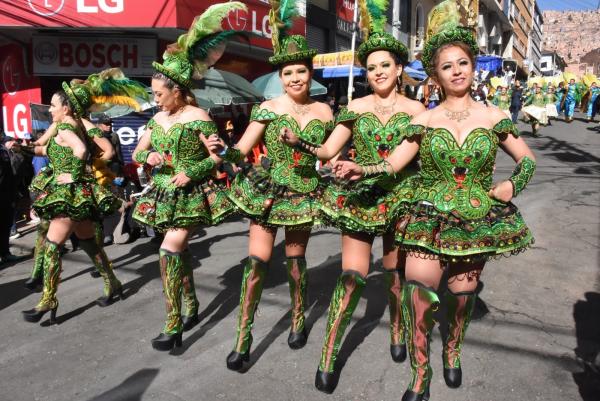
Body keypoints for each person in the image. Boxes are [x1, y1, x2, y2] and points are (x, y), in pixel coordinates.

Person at [335, 1, 536, 399]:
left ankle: (453, 350)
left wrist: (512, 186)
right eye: (447, 66)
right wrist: (364, 169)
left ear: (472, 66)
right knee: (417, 290)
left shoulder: (495, 117)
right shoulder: (423, 120)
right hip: (428, 216)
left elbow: (527, 159)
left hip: (476, 219)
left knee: (462, 296)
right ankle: (420, 372)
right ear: (436, 75)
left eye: (462, 63)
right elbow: (394, 162)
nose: (457, 71)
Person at [279, 0, 425, 392]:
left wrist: (365, 167)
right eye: (371, 67)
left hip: (400, 197)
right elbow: (329, 151)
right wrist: (301, 143)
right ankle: (329, 353)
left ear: (399, 69)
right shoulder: (354, 106)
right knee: (352, 276)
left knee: (395, 274)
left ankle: (397, 329)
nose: (378, 72)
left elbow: (399, 161)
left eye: (385, 65)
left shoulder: (417, 110)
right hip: (360, 198)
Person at [205, 0, 334, 371]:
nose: (294, 78)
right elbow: (242, 151)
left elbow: (328, 154)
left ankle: (297, 319)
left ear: (310, 74)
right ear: (280, 75)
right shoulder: (268, 108)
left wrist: (339, 164)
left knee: (296, 261)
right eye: (288, 72)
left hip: (304, 192)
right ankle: (243, 340)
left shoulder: (325, 112)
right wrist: (223, 150)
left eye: (301, 71)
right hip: (268, 190)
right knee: (257, 264)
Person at [131, 2, 242, 351]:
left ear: (177, 91)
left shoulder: (198, 116)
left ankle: (173, 323)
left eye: (159, 94)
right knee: (178, 254)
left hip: (192, 193)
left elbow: (216, 157)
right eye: (153, 93)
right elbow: (136, 151)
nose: (155, 99)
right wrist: (146, 156)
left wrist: (189, 171)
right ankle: (192, 306)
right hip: (162, 193)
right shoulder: (156, 119)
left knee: (167, 251)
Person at [21, 68, 145, 324]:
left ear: (66, 108)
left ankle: (48, 298)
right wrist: (24, 149)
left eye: (53, 105)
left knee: (53, 246)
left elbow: (80, 150)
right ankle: (113, 283)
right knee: (88, 243)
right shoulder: (74, 124)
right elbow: (48, 149)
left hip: (69, 193)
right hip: (77, 192)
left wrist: (74, 174)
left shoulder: (66, 126)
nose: (50, 109)